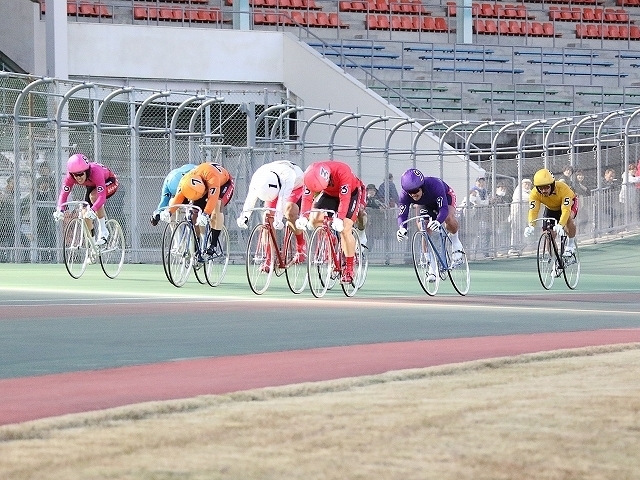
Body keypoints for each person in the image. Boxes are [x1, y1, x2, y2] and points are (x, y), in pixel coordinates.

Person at [295, 160, 364, 284]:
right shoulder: (310, 175)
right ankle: (330, 238)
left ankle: (349, 267)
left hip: (351, 193)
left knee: (345, 228)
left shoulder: (342, 171)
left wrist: (340, 219)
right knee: (314, 218)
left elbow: (345, 198)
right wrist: (303, 216)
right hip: (328, 193)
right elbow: (307, 197)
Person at [395, 168, 464, 283]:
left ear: (421, 186)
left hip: (445, 197)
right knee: (424, 229)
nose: (413, 195)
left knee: (448, 218)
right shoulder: (405, 195)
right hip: (425, 204)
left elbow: (443, 209)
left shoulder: (434, 184)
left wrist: (438, 221)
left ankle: (456, 242)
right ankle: (431, 267)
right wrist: (402, 229)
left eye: (416, 191)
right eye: (409, 192)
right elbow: (402, 215)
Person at [236, 160, 307, 267]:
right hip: (274, 186)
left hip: (295, 185)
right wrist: (244, 216)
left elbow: (283, 199)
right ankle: (269, 259)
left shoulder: (289, 176)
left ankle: (301, 246)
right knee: (268, 216)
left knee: (289, 212)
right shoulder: (258, 177)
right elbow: (250, 198)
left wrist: (278, 219)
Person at [163, 162, 234, 253]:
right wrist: (169, 212)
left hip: (223, 183)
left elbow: (212, 198)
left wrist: (206, 213)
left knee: (217, 205)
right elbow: (178, 198)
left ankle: (213, 244)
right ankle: (197, 243)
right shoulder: (185, 181)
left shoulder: (213, 179)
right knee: (194, 212)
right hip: (202, 183)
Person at [53, 154, 119, 246]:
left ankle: (103, 231)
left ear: (87, 171)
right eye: (75, 175)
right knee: (85, 216)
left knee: (94, 197)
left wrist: (93, 209)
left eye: (80, 174)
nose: (78, 177)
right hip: (92, 185)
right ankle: (93, 247)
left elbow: (101, 197)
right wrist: (60, 210)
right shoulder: (70, 177)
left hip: (108, 181)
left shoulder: (95, 172)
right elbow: (63, 195)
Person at [524, 168, 578, 256]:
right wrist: (531, 225)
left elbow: (565, 210)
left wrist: (561, 224)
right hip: (551, 208)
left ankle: (571, 244)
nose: (544, 190)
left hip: (568, 205)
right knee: (548, 236)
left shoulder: (563, 188)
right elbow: (533, 210)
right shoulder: (534, 193)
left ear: (552, 185)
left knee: (568, 219)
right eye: (541, 188)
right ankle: (556, 261)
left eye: (546, 187)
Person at [35, 175, 56, 262]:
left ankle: (55, 259)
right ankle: (44, 260)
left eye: (46, 183)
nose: (44, 185)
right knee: (42, 244)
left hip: (51, 223)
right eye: (42, 183)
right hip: (40, 224)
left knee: (53, 242)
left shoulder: (53, 194)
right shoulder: (35, 195)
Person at [509, 178, 532, 255]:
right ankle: (513, 248)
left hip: (523, 214)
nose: (527, 186)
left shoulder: (530, 192)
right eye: (526, 184)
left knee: (522, 230)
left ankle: (520, 248)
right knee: (515, 229)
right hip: (516, 213)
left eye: (529, 184)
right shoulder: (519, 191)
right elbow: (529, 198)